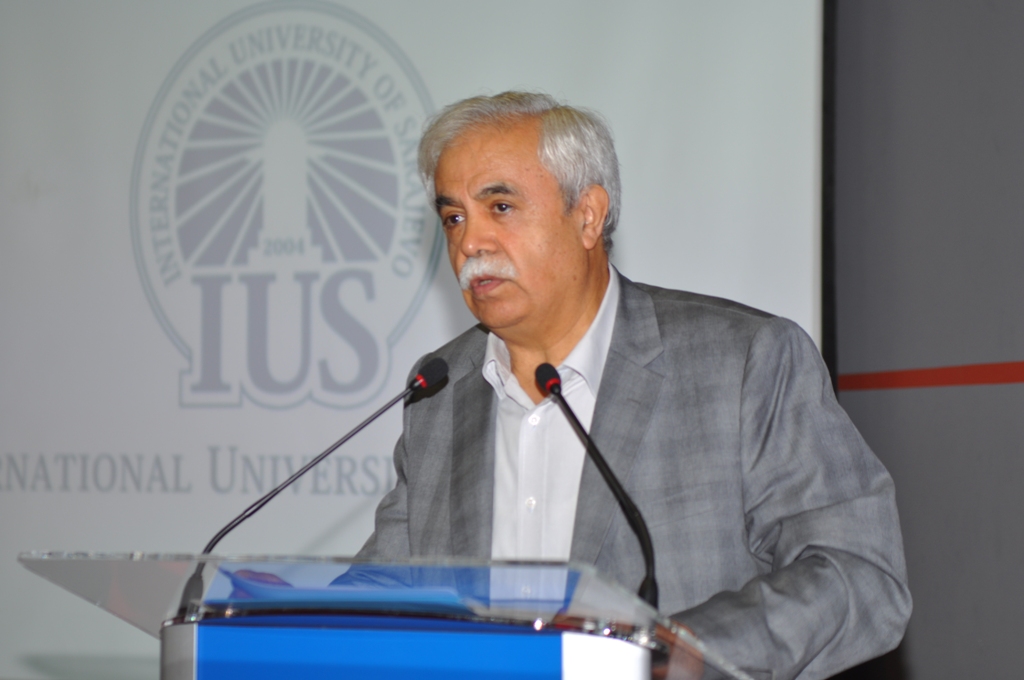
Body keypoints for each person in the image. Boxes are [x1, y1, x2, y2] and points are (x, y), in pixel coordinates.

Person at [355, 91, 911, 679]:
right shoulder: (439, 392)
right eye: (454, 217)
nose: (470, 242)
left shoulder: (744, 360)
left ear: (588, 215)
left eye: (500, 207)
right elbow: (383, 592)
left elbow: (858, 572)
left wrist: (680, 652)